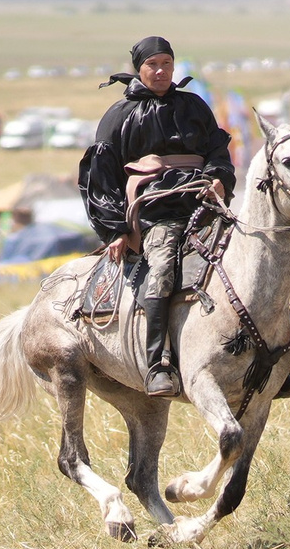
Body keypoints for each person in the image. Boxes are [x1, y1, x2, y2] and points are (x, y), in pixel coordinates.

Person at [80, 37, 237, 399]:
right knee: (163, 268)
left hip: (202, 199)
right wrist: (116, 230)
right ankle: (158, 364)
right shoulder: (119, 115)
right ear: (139, 68)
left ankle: (275, 356)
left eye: (167, 62)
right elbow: (100, 178)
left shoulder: (194, 105)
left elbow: (217, 148)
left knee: (254, 252)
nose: (162, 70)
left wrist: (218, 176)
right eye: (153, 64)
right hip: (156, 210)